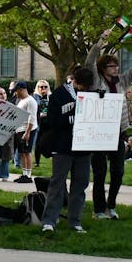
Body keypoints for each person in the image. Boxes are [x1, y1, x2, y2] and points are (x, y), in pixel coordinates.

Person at [87, 31, 132, 220]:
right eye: (111, 66)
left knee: (118, 171)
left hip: (118, 132)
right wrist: (100, 42)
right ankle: (99, 210)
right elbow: (89, 62)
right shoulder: (95, 81)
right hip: (99, 133)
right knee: (100, 173)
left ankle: (111, 205)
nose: (116, 69)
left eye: (117, 66)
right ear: (103, 68)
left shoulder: (122, 81)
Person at [41, 66, 95, 234]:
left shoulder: (91, 94)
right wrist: (73, 118)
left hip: (83, 148)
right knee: (57, 184)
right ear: (74, 81)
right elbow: (52, 120)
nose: (84, 90)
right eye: (82, 86)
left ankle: (75, 220)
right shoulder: (59, 94)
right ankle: (49, 220)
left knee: (80, 185)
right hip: (62, 146)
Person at [12, 81, 38, 183]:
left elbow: (32, 118)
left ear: (21, 89)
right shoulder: (21, 100)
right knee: (22, 152)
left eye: (16, 91)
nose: (15, 93)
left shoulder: (30, 101)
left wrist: (27, 132)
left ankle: (28, 175)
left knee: (27, 152)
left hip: (27, 130)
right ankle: (24, 174)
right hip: (20, 129)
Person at [33, 80, 51, 166]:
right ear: (38, 88)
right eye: (41, 87)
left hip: (48, 122)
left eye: (45, 87)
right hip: (39, 122)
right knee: (38, 143)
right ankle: (37, 162)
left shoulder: (51, 96)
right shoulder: (35, 97)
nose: (43, 89)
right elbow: (36, 107)